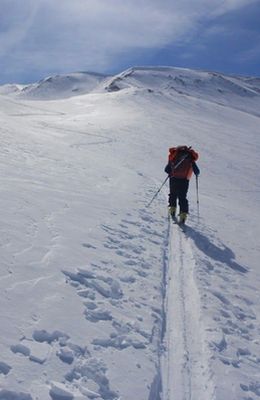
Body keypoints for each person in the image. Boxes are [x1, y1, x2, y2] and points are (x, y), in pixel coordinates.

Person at [164, 145, 199, 223]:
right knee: (182, 196)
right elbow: (197, 171)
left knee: (173, 194)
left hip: (173, 178)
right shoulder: (190, 156)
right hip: (184, 180)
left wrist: (171, 172)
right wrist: (196, 174)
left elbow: (166, 169)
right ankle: (183, 214)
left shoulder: (174, 155)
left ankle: (172, 209)